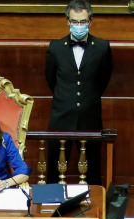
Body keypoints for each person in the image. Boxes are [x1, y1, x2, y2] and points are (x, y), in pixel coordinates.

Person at [44, 0, 114, 176]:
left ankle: (95, 203)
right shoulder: (56, 48)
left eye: (83, 22)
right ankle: (54, 204)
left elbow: (103, 79)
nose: (78, 26)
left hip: (89, 118)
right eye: (75, 21)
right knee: (55, 168)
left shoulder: (102, 48)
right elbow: (50, 79)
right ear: (67, 21)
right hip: (61, 118)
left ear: (90, 21)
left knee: (93, 169)